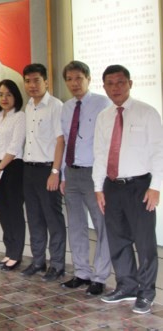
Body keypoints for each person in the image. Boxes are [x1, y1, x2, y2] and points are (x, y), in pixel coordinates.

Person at [93, 64, 163, 314]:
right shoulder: (104, 116)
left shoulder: (147, 112)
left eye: (120, 82)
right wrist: (98, 188)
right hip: (112, 187)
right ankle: (127, 286)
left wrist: (155, 187)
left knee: (144, 243)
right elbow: (100, 153)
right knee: (118, 240)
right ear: (104, 87)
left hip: (140, 186)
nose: (116, 88)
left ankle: (146, 292)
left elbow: (159, 151)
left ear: (130, 84)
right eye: (110, 84)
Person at [59, 61, 111, 296]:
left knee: (102, 226)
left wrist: (101, 179)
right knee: (77, 225)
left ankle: (99, 277)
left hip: (93, 174)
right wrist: (61, 174)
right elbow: (65, 141)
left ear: (88, 78)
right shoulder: (67, 107)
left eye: (78, 78)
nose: (74, 83)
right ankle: (81, 273)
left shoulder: (102, 104)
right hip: (71, 173)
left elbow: (107, 144)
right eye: (69, 79)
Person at [20, 64, 66, 282]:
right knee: (35, 218)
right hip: (28, 170)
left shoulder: (56, 106)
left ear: (46, 81)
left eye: (37, 80)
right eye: (28, 81)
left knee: (53, 219)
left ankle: (57, 265)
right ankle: (38, 261)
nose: (32, 85)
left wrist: (55, 171)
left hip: (48, 170)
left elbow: (60, 140)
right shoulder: (28, 106)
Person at [0, 80, 26, 271]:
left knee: (15, 212)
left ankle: (16, 254)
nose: (4, 98)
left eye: (9, 94)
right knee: (3, 211)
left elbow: (15, 146)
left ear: (16, 96)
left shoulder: (20, 116)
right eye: (1, 94)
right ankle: (9, 251)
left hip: (12, 167)